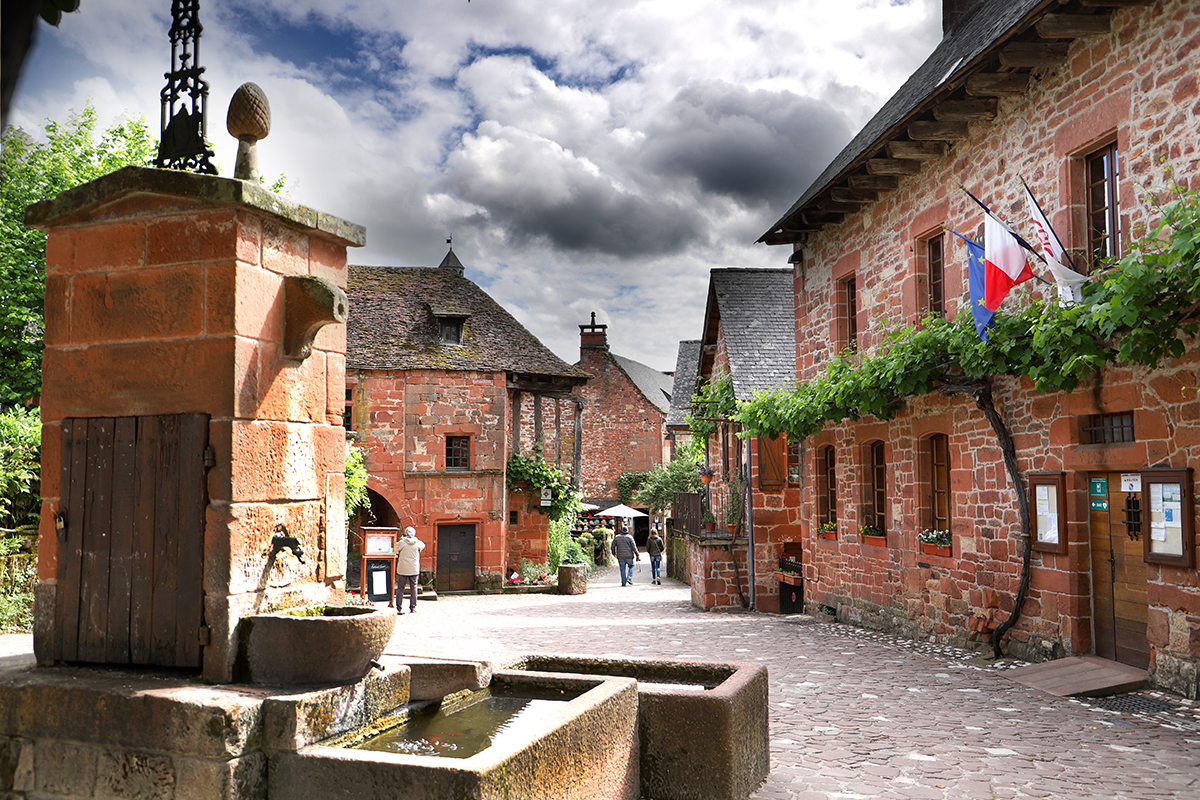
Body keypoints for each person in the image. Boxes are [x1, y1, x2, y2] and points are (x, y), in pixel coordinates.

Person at [395, 526, 425, 614]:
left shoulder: (402, 543)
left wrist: (402, 539)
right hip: (414, 568)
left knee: (400, 588)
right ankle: (413, 607)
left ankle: (399, 607)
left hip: (403, 568)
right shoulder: (417, 543)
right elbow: (423, 546)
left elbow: (396, 550)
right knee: (414, 588)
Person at [611, 522, 640, 586]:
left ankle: (623, 583)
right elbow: (634, 547)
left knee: (622, 569)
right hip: (629, 555)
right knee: (631, 566)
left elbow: (613, 546)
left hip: (620, 556)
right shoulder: (630, 537)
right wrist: (637, 554)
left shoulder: (617, 537)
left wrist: (613, 553)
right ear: (627, 530)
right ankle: (629, 578)